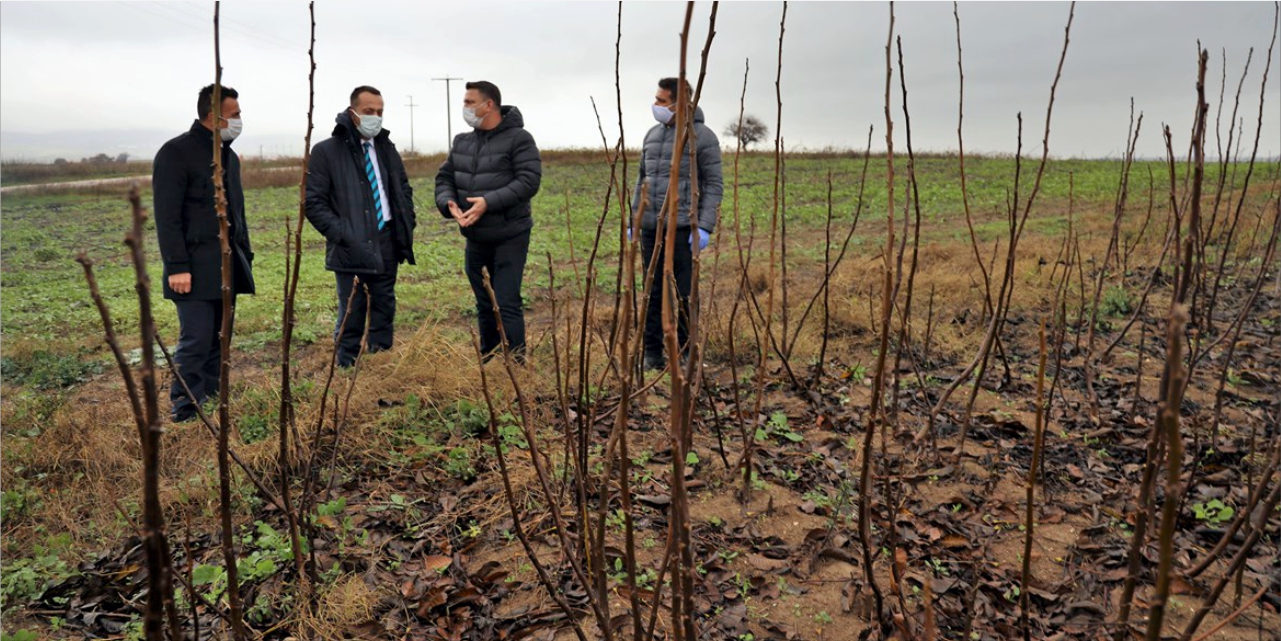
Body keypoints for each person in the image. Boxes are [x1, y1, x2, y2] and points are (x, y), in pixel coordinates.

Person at [153, 83, 255, 423]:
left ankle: (210, 401)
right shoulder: (175, 153)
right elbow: (167, 218)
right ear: (214, 117)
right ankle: (186, 409)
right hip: (192, 269)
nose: (240, 120)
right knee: (195, 340)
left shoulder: (230, 157)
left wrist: (246, 255)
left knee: (219, 340)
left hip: (227, 266)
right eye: (235, 115)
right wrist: (177, 266)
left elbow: (238, 214)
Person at [305, 85, 417, 367]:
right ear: (353, 112)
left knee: (384, 307)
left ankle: (380, 365)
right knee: (352, 312)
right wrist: (343, 234)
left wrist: (406, 223)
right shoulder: (326, 152)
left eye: (380, 112)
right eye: (369, 111)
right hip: (350, 246)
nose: (375, 117)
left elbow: (402, 190)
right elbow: (313, 202)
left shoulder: (386, 148)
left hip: (387, 240)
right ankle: (346, 369)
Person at [434, 81, 542, 361]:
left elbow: (529, 181)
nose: (465, 108)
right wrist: (449, 203)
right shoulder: (463, 142)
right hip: (476, 236)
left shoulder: (519, 139)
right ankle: (490, 360)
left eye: (470, 102)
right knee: (484, 303)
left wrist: (488, 202)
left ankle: (516, 364)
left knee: (506, 302)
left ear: (489, 105)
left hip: (510, 234)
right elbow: (445, 177)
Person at [632, 77, 724, 371]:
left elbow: (713, 184)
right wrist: (635, 218)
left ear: (680, 103)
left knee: (685, 292)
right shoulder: (651, 136)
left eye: (662, 101)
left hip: (684, 228)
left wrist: (705, 225)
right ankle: (652, 354)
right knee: (652, 291)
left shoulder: (702, 137)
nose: (656, 105)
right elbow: (641, 181)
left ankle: (686, 352)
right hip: (651, 228)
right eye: (656, 99)